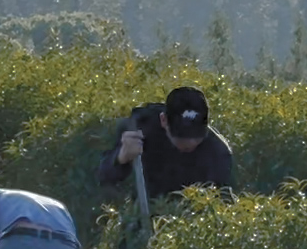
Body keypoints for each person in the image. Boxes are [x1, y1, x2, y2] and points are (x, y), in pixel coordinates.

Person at [95, 85, 234, 199]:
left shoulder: (219, 153)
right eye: (180, 137)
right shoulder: (141, 129)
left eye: (197, 137)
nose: (189, 144)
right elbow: (103, 176)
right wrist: (121, 157)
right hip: (147, 213)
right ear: (163, 120)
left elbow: (223, 202)